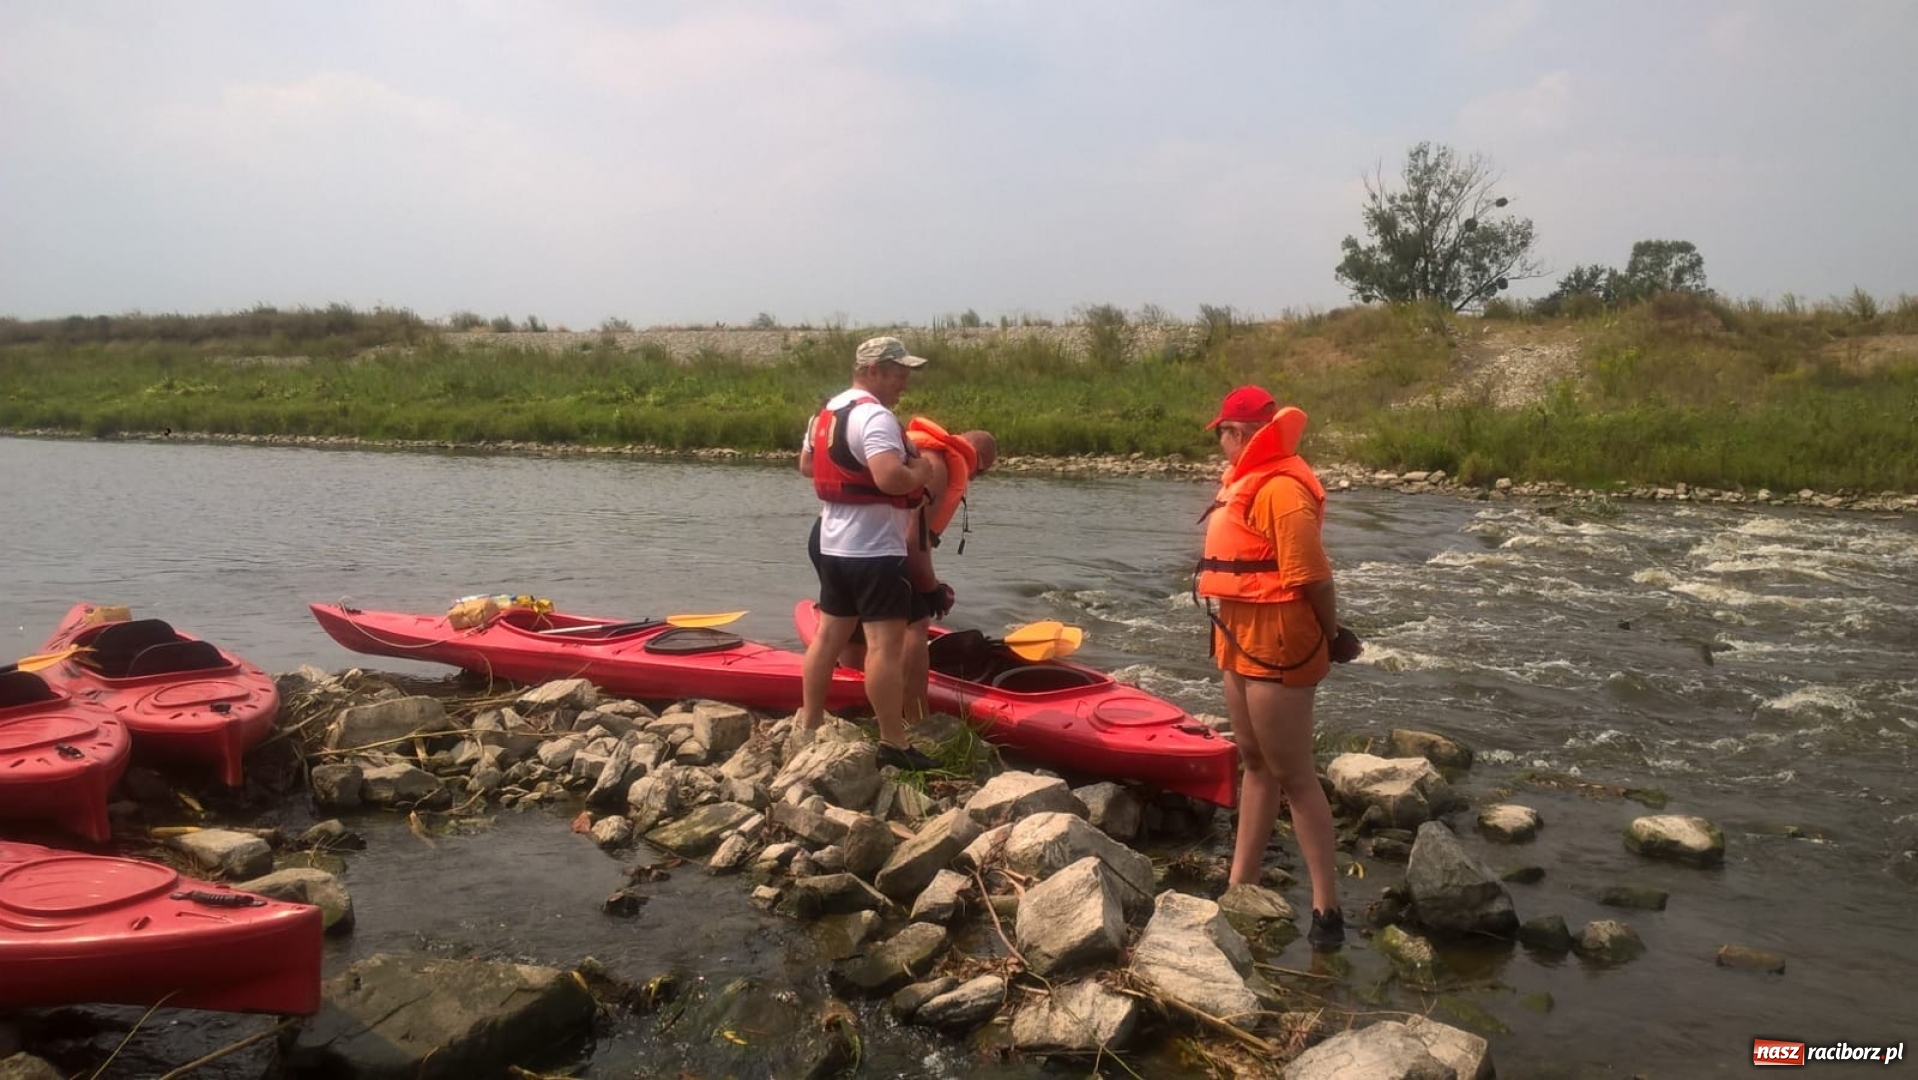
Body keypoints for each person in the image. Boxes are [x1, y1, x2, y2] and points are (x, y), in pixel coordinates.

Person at [1195, 385, 1363, 949]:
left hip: (1279, 631)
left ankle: (1327, 910)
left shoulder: (1283, 487)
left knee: (1293, 772)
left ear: (1237, 434)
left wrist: (1333, 635)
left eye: (1221, 432)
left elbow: (1312, 575)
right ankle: (1240, 885)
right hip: (1238, 626)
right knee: (1254, 761)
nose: (1219, 442)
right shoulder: (1250, 480)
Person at [797, 336, 939, 770]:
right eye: (899, 374)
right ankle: (894, 743)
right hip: (876, 551)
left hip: (833, 545)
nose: (904, 383)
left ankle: (810, 726)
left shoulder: (825, 414)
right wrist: (923, 470)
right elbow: (891, 479)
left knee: (828, 638)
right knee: (884, 646)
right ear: (873, 370)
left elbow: (806, 466)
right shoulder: (875, 418)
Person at [900, 420, 996, 718]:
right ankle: (914, 716)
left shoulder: (925, 452)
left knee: (856, 626)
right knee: (915, 624)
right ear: (977, 460)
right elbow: (913, 538)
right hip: (878, 551)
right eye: (979, 474)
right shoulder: (937, 465)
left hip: (839, 541)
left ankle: (854, 701)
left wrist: (931, 584)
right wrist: (931, 591)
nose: (973, 480)